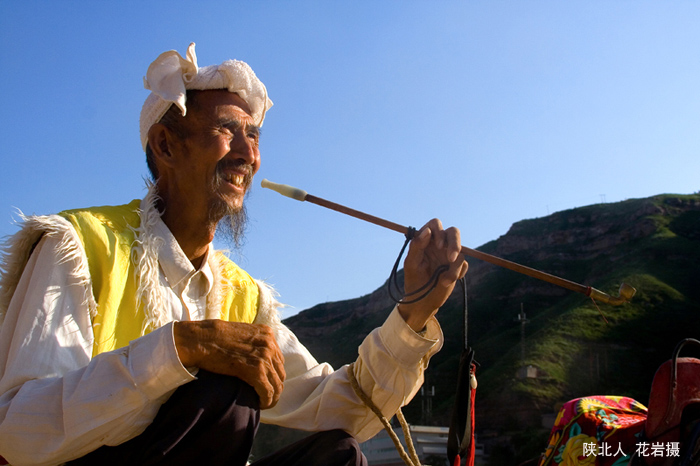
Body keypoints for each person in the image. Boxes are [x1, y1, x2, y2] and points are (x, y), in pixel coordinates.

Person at [0, 43, 468, 466]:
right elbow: (17, 432)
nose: (249, 154)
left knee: (339, 456)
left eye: (255, 136)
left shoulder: (243, 299)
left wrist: (413, 313)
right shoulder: (80, 246)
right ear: (165, 144)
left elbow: (345, 410)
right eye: (227, 130)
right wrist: (180, 349)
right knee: (224, 395)